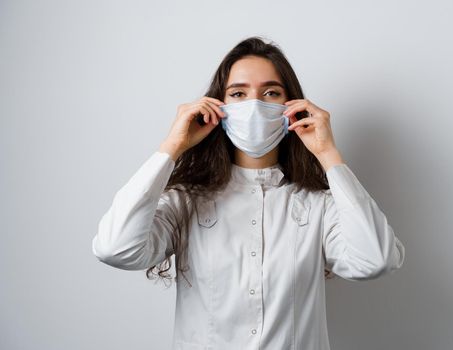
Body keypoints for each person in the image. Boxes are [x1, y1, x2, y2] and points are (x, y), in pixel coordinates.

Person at [92, 36, 405, 350]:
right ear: (218, 106)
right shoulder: (187, 201)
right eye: (238, 93)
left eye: (270, 92)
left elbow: (375, 259)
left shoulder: (317, 205)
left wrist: (328, 154)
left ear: (291, 106)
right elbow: (115, 248)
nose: (254, 105)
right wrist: (172, 147)